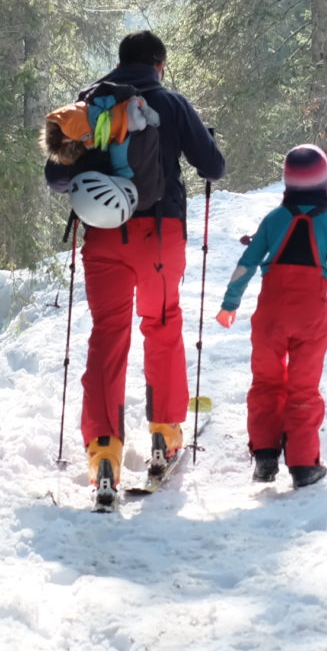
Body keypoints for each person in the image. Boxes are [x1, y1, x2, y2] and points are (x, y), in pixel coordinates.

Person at [59, 31, 223, 493]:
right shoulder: (170, 103)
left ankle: (104, 450)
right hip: (160, 237)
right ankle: (165, 436)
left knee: (108, 335)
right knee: (163, 326)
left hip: (104, 239)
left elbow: (57, 177)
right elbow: (213, 168)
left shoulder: (90, 103)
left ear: (120, 62)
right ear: (160, 65)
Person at [214, 144, 327, 488]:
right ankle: (304, 464)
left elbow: (247, 263)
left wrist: (230, 304)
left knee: (265, 382)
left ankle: (265, 459)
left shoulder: (274, 218)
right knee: (303, 387)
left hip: (270, 318)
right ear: (323, 180)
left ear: (287, 180)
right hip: (310, 319)